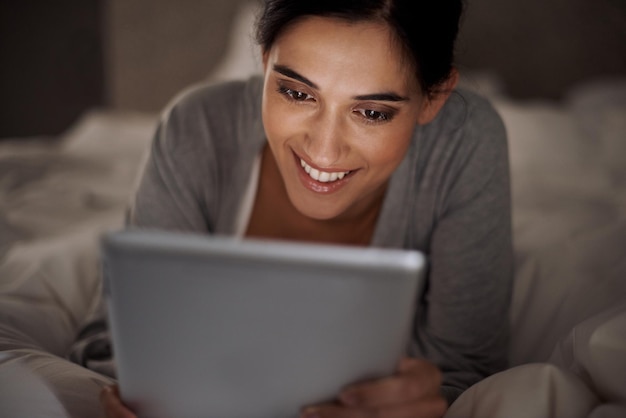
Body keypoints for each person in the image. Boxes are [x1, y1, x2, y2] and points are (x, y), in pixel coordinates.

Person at [97, 0, 513, 416]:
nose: (324, 151)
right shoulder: (196, 129)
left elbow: (468, 371)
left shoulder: (463, 142)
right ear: (264, 62)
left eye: (371, 113)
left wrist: (427, 404)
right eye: (296, 93)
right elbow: (110, 347)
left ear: (433, 98)